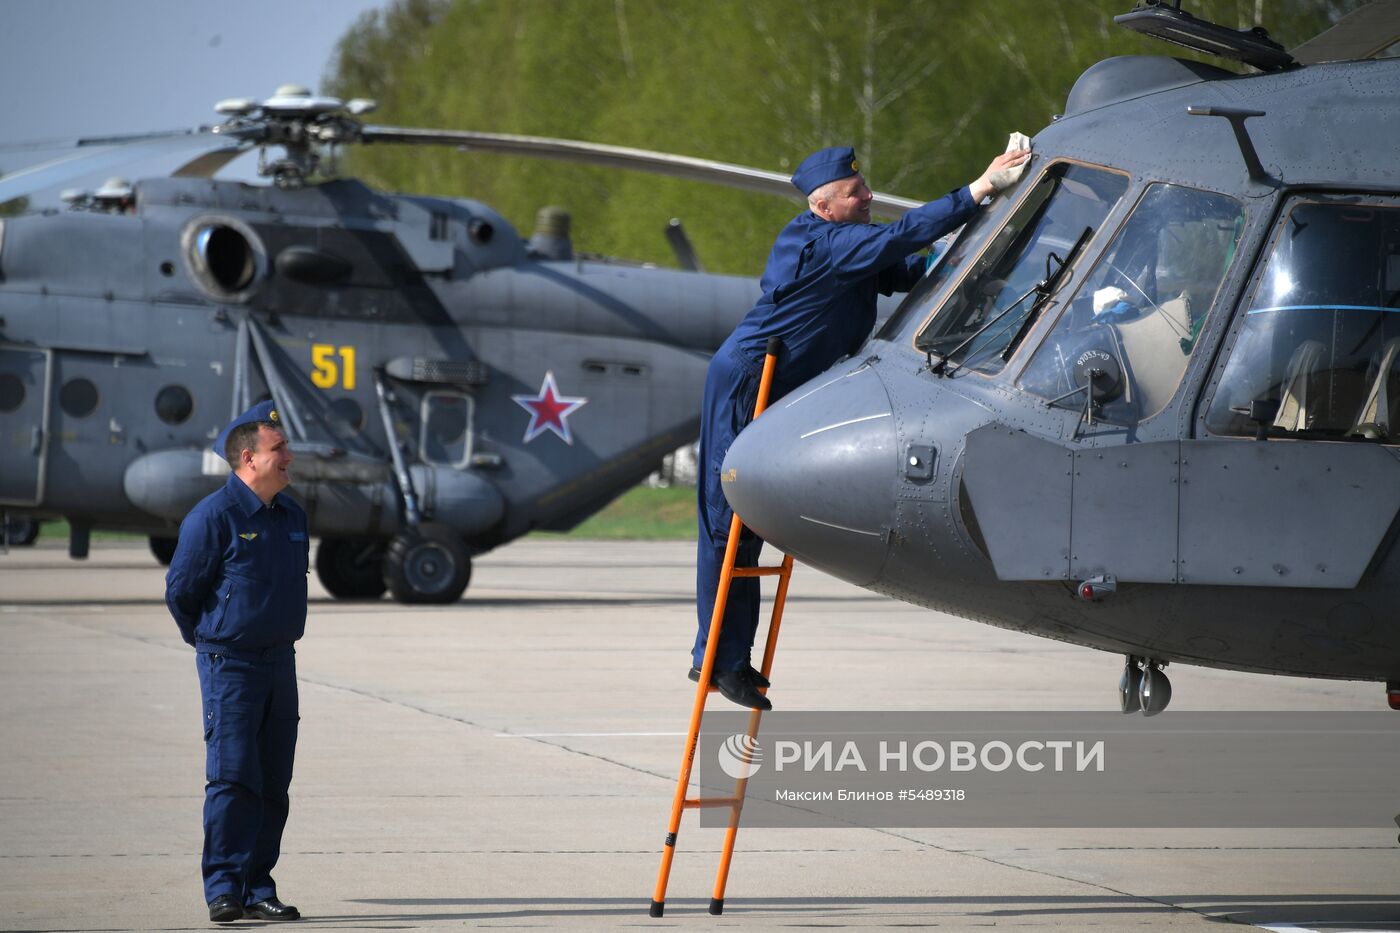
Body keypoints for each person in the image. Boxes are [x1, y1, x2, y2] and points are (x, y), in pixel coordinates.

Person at [692, 142, 1032, 710]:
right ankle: (715, 660)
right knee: (728, 525)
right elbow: (897, 241)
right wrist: (977, 190)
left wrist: (977, 242)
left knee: (751, 530)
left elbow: (903, 268)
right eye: (856, 193)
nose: (868, 195)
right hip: (747, 381)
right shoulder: (825, 243)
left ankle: (730, 657)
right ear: (824, 207)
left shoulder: (845, 245)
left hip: (777, 382)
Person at [165, 400, 308, 923]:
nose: (290, 456)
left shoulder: (293, 514)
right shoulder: (212, 518)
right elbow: (182, 593)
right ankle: (223, 887)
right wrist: (213, 641)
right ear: (249, 458)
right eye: (280, 449)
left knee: (273, 782)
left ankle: (256, 886)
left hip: (280, 665)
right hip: (230, 666)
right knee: (232, 778)